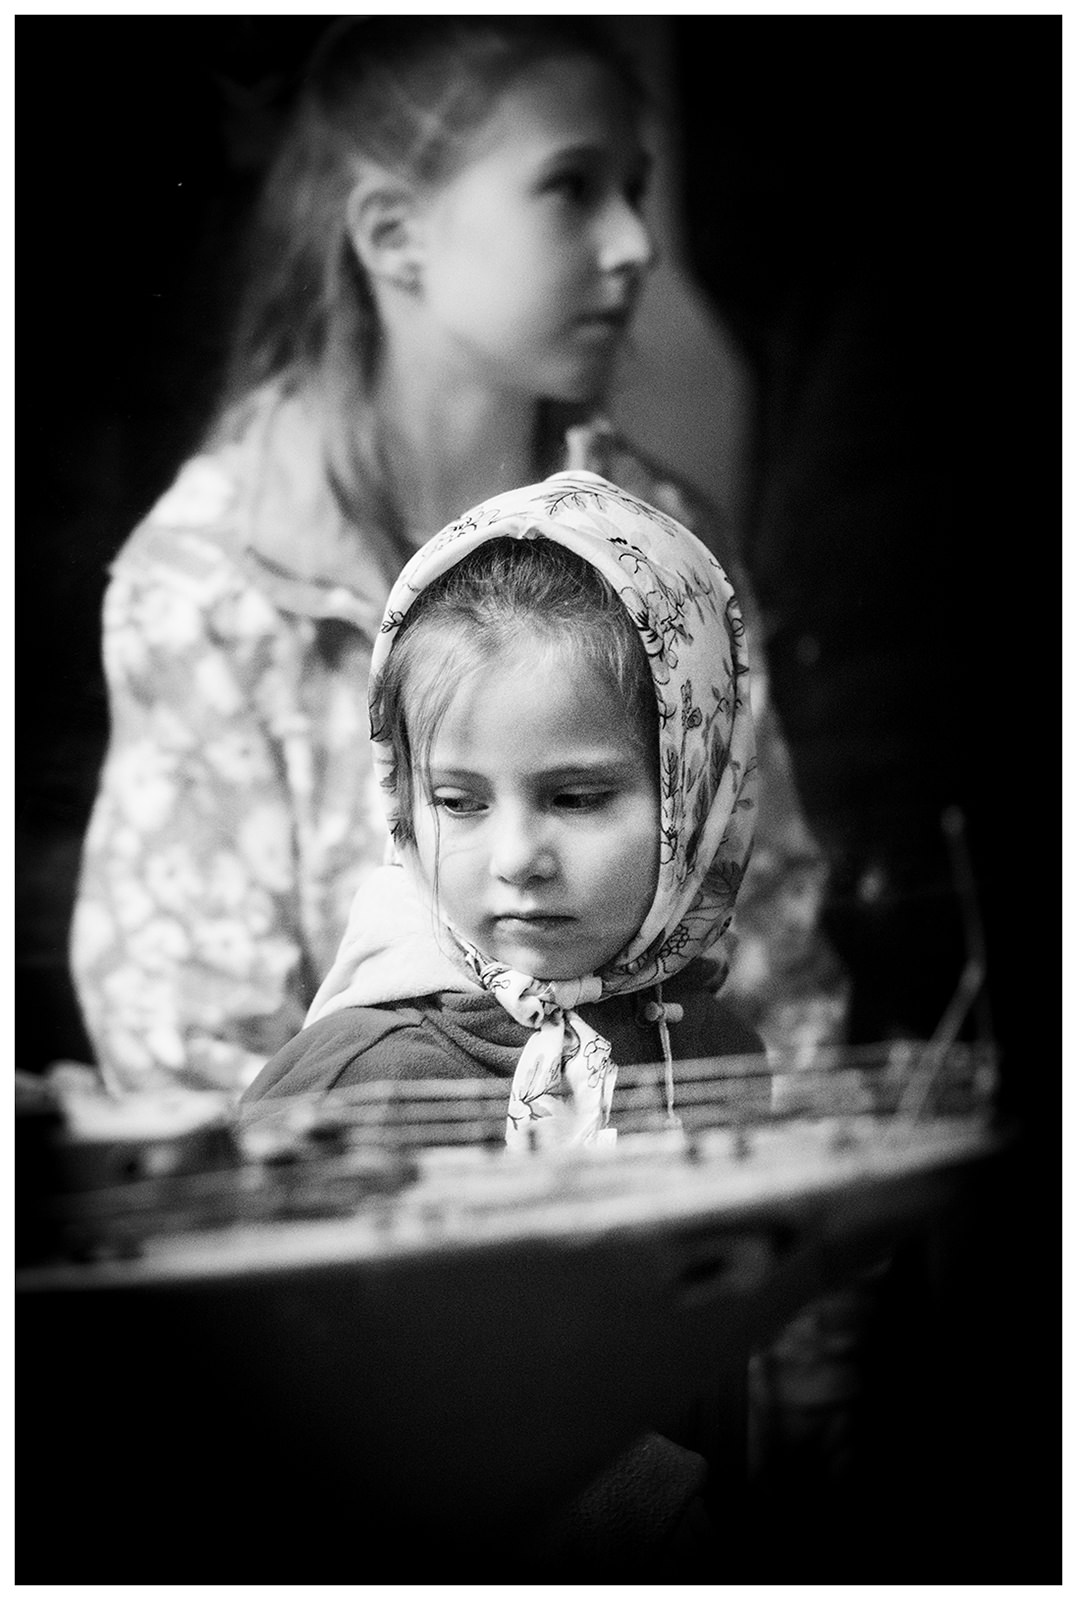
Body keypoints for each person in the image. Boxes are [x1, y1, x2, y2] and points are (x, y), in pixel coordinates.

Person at [70, 15, 845, 1098]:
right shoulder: (219, 573)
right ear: (394, 235)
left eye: (637, 185)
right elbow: (192, 1051)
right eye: (572, 187)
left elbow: (765, 948)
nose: (636, 243)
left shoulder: (661, 534)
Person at [242, 469, 763, 1123]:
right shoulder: (360, 1092)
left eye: (576, 799)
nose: (515, 860)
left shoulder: (715, 1056)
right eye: (458, 804)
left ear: (698, 793)